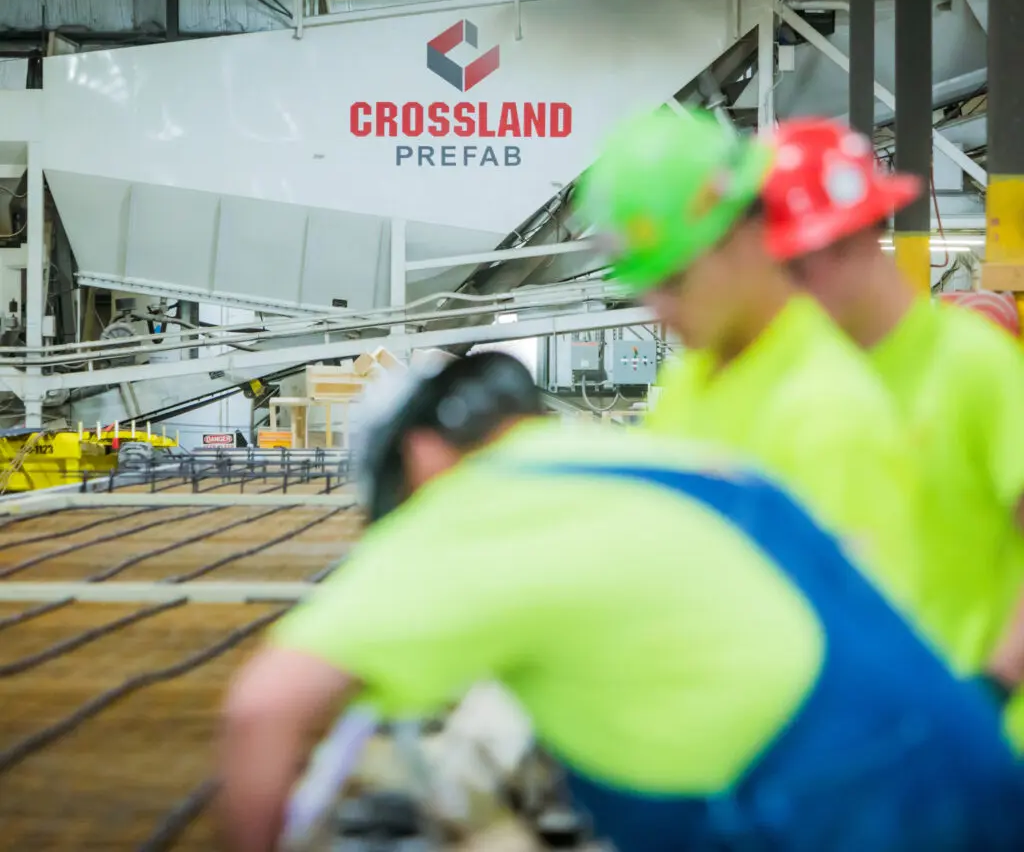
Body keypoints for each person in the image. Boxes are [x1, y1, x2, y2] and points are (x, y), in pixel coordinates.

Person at [218, 352, 1024, 852]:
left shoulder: (474, 504)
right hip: (964, 767)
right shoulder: (644, 456)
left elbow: (261, 708)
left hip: (839, 814)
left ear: (423, 455)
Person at [573, 107, 921, 607]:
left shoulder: (829, 412)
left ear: (747, 236)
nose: (659, 311)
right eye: (645, 288)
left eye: (675, 281)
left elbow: (849, 642)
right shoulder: (692, 377)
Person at [759, 116, 1024, 740]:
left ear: (858, 238)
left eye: (801, 270)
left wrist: (992, 685)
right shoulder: (808, 383)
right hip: (866, 740)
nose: (791, 295)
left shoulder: (973, 366)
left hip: (984, 745)